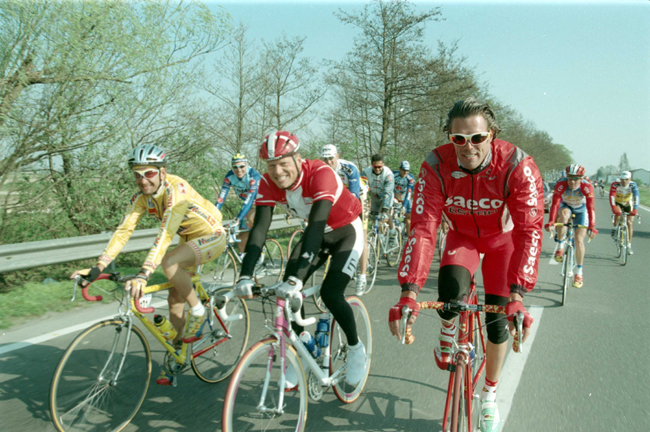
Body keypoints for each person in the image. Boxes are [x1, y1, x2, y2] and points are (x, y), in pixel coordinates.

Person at [387, 97, 541, 432]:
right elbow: (423, 228)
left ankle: (489, 394)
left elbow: (529, 231)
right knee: (449, 296)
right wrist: (408, 291)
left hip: (502, 241)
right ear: (449, 137)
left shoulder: (517, 165)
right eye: (458, 139)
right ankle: (447, 327)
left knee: (498, 320)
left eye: (477, 138)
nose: (467, 146)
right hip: (462, 238)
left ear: (492, 135)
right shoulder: (435, 165)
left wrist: (519, 293)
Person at [70, 144, 226, 386]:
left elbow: (165, 234)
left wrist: (144, 274)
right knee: (174, 300)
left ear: (163, 172)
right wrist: (99, 266)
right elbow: (123, 231)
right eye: (137, 174)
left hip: (212, 235)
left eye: (149, 173)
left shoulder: (177, 192)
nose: (143, 180)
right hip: (188, 239)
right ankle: (178, 354)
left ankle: (198, 310)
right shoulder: (141, 198)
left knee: (169, 262)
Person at [234, 131, 368, 387]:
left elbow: (317, 226)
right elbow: (259, 229)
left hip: (346, 232)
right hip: (315, 235)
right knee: (285, 294)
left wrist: (298, 277)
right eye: (271, 165)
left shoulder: (320, 173)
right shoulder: (266, 182)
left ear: (298, 159)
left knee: (331, 293)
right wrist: (245, 274)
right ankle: (303, 350)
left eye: (284, 163)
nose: (278, 171)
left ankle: (355, 348)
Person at [320, 144, 370, 295]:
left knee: (362, 234)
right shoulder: (322, 170)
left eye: (331, 158)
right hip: (340, 199)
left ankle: (362, 275)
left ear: (337, 156)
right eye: (325, 159)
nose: (328, 162)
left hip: (359, 197)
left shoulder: (348, 168)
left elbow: (354, 196)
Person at [545, 164, 598, 288]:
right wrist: (551, 221)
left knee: (579, 240)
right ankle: (560, 245)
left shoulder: (587, 187)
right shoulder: (561, 185)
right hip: (566, 207)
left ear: (581, 179)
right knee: (563, 215)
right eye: (570, 178)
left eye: (576, 179)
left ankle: (579, 272)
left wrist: (592, 226)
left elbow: (591, 208)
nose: (572, 182)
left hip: (581, 210)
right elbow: (555, 205)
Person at [215, 153, 261, 255]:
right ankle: (242, 258)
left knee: (249, 217)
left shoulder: (253, 175)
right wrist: (213, 213)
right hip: (250, 205)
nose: (238, 170)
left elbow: (249, 200)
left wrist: (238, 219)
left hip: (263, 202)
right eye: (235, 167)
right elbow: (221, 197)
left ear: (247, 165)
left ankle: (259, 244)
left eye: (241, 166)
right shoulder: (230, 176)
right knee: (241, 235)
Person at [362, 154, 395, 241]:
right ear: (371, 165)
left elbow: (387, 193)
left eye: (379, 166)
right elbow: (362, 189)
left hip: (386, 197)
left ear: (383, 165)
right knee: (374, 218)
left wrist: (384, 209)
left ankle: (392, 232)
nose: (377, 169)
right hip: (375, 197)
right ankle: (379, 238)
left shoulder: (388, 174)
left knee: (385, 215)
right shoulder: (366, 172)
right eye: (375, 166)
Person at [609, 171, 640, 254]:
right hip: (618, 203)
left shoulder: (633, 185)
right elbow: (612, 196)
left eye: (626, 180)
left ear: (630, 179)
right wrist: (614, 208)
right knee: (618, 213)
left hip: (627, 203)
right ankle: (615, 229)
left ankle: (629, 245)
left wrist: (635, 209)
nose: (624, 182)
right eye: (622, 179)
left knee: (629, 223)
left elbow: (636, 197)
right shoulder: (615, 184)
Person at [391, 160, 416, 237]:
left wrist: (404, 206)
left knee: (408, 218)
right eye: (404, 170)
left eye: (407, 171)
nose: (405, 172)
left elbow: (409, 192)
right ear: (399, 169)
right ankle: (391, 232)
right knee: (391, 214)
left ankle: (409, 236)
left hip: (406, 198)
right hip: (395, 197)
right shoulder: (393, 174)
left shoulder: (410, 178)